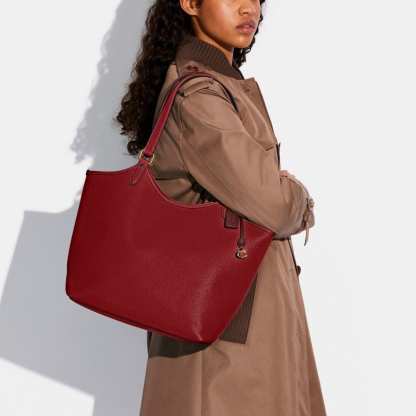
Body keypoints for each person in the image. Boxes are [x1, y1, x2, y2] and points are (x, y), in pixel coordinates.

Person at [116, 1, 326, 415]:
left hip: (240, 326)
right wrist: (300, 196)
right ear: (190, 3)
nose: (249, 8)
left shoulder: (220, 86)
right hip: (225, 344)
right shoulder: (199, 96)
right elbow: (275, 204)